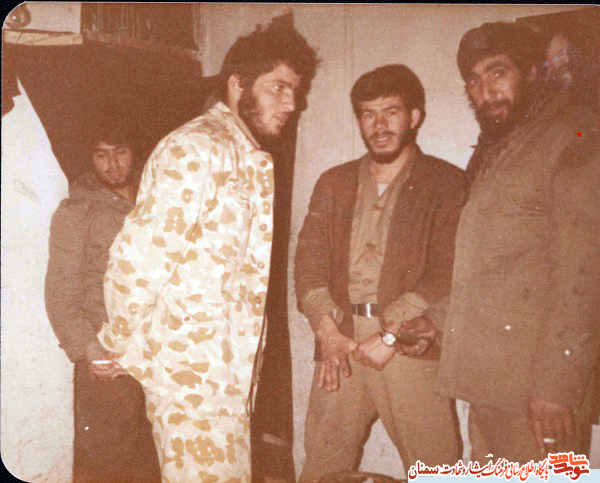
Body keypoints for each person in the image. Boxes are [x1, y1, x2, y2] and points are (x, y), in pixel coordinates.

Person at [97, 19, 319, 482]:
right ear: (238, 85)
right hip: (191, 379)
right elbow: (137, 260)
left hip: (229, 374)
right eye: (278, 87)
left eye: (295, 91)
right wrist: (117, 341)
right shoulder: (197, 148)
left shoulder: (246, 155)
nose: (291, 104)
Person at [406, 22, 600, 465]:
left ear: (531, 73)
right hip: (492, 385)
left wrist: (557, 387)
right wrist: (436, 321)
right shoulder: (502, 147)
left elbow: (585, 274)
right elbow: (495, 269)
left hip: (538, 396)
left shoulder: (574, 135)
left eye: (498, 73)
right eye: (473, 81)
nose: (485, 91)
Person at [294, 64, 466, 480]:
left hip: (407, 342)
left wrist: (393, 332)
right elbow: (308, 261)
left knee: (436, 469)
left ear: (414, 116)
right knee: (322, 465)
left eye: (391, 112)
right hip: (339, 340)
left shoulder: (446, 182)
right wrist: (326, 330)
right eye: (368, 114)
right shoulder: (334, 182)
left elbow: (450, 270)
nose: (379, 125)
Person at [45, 119, 161, 483]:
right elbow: (61, 292)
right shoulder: (77, 210)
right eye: (101, 154)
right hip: (109, 359)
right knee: (108, 465)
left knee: (156, 463)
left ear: (134, 152)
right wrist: (91, 351)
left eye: (120, 152)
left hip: (160, 353)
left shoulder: (158, 197)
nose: (112, 164)